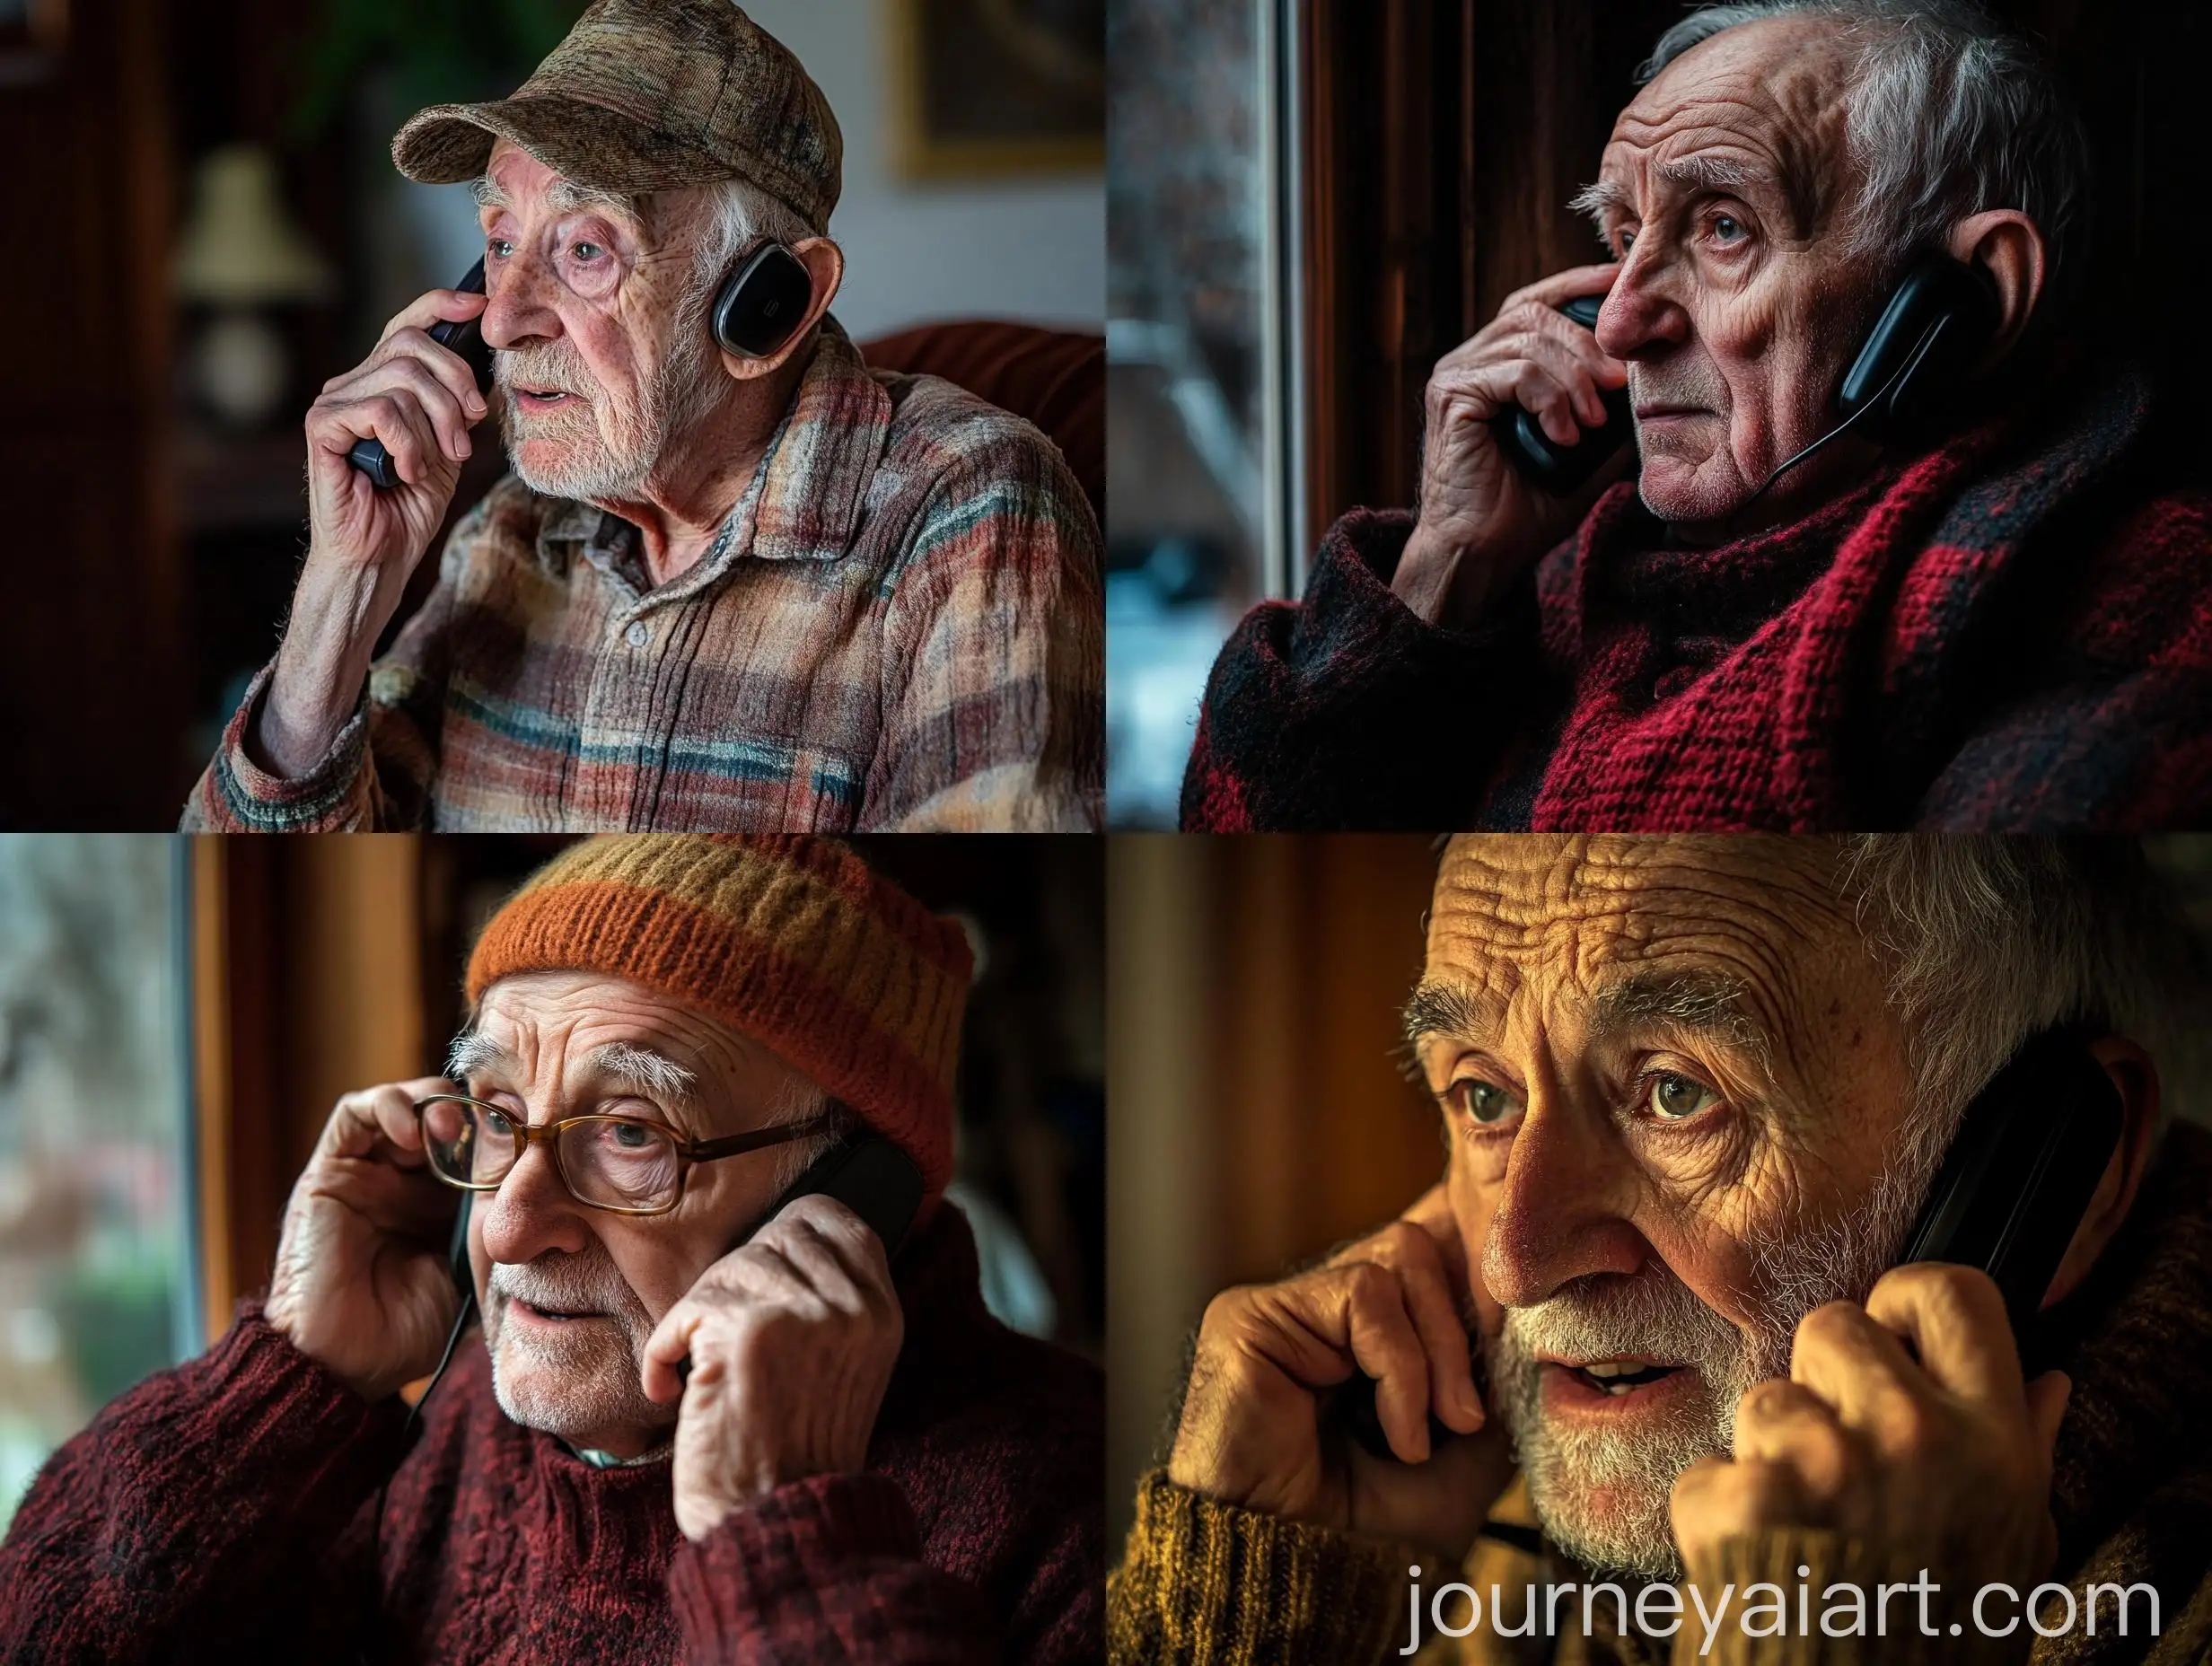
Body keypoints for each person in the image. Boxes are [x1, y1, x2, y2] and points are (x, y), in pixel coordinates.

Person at [1110, 835, 2212, 1663]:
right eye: (1485, 1094)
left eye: (1674, 1092)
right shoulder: (1497, 1563)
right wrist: (1286, 1609)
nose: (1516, 1260)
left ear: (2069, 1175)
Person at [0, 836, 1102, 1662]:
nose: (508, 1223)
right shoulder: (455, 1417)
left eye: (631, 1132)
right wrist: (287, 1380)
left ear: (859, 1192)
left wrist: (786, 1533)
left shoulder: (1079, 1503)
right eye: (493, 1110)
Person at [1181, 0, 2212, 831]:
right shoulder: (1554, 587)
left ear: (1961, 304)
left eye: (1723, 226)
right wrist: (1448, 564)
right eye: (1622, 235)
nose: (1620, 324)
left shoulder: (2144, 613)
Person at [183, 0, 1102, 834]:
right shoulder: (517, 531)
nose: (501, 318)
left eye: (586, 249)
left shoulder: (968, 514)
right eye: (500, 242)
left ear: (772, 304)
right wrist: (345, 590)